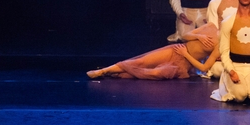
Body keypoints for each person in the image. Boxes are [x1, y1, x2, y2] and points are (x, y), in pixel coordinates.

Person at [86, 23, 220, 80]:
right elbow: (184, 35)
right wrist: (198, 36)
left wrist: (186, 55)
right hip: (176, 50)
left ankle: (119, 73)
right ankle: (103, 71)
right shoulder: (210, 26)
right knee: (141, 61)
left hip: (184, 63)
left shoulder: (220, 45)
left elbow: (204, 67)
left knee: (156, 72)